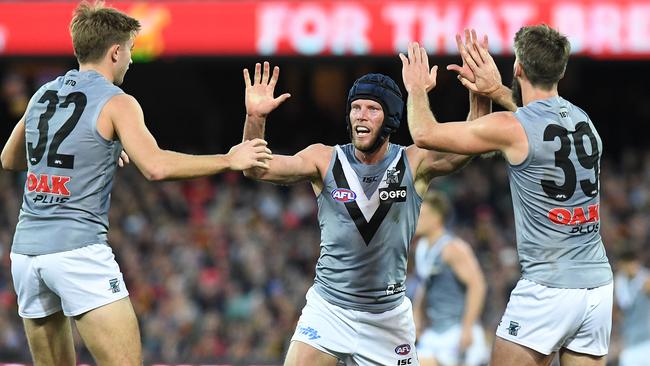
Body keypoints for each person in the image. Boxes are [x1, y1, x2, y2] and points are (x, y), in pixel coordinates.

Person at [0, 2, 272, 365]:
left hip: (26, 253)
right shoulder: (117, 102)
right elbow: (156, 166)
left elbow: (9, 159)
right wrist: (228, 159)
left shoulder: (42, 95)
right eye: (129, 50)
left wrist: (97, 153)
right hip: (77, 251)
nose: (130, 59)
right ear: (115, 51)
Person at [240, 61, 491, 365]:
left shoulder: (413, 162)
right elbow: (255, 167)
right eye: (356, 107)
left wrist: (481, 97)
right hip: (329, 308)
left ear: (390, 118)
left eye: (372, 108)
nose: (361, 114)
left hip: (387, 319)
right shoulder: (323, 159)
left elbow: (474, 144)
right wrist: (255, 117)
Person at [400, 26, 613, 366]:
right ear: (560, 70)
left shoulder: (512, 128)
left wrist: (415, 89)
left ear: (518, 68)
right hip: (597, 287)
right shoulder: (582, 120)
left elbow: (425, 134)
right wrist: (496, 90)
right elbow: (537, 122)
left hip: (548, 286)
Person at [413, 191, 488, 366]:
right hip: (436, 331)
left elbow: (477, 285)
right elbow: (425, 285)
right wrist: (416, 317)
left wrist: (467, 328)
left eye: (422, 215)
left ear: (437, 218)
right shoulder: (422, 248)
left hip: (456, 332)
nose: (417, 220)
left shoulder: (453, 248)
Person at [614, 250, 650, 366]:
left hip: (647, 339)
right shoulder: (619, 281)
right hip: (629, 340)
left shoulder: (646, 279)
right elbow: (621, 308)